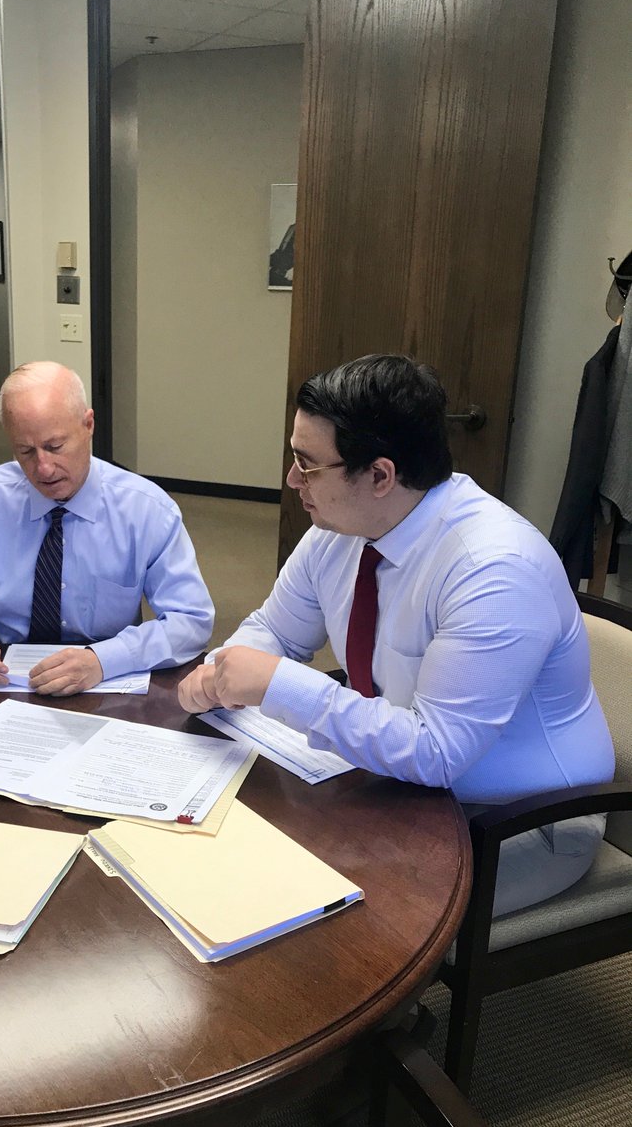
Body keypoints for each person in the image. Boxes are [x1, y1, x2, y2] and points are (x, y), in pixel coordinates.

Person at [178, 354, 615, 917]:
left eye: (308, 465)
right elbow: (275, 630)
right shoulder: (342, 527)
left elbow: (437, 753)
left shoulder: (494, 569)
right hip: (405, 785)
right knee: (238, 844)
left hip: (518, 818)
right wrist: (224, 672)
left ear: (380, 476)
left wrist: (278, 684)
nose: (292, 480)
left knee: (322, 908)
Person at [0, 361, 215, 694]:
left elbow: (190, 620)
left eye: (55, 447)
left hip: (108, 682)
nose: (43, 468)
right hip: (5, 680)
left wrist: (104, 660)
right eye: (25, 451)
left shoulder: (146, 510)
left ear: (88, 425)